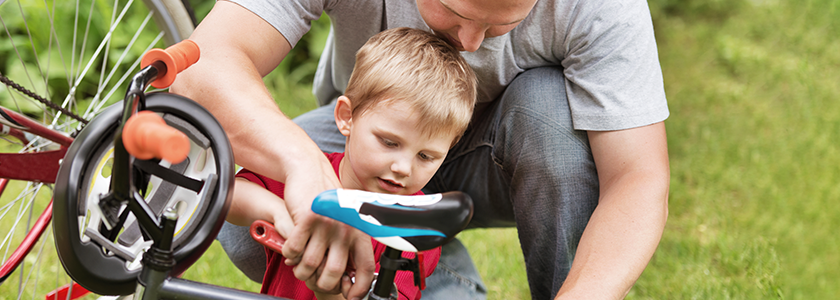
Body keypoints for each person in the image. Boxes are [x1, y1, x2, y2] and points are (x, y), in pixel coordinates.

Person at [171, 0, 671, 299]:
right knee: (253, 223)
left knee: (548, 110)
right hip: (372, 133)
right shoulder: (358, 123)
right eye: (455, 11)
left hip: (516, 144)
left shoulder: (603, 9)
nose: (472, 43)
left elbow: (638, 179)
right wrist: (305, 171)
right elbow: (204, 64)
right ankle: (421, 272)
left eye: (503, 22)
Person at [223, 27, 477, 300]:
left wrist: (327, 291)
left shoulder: (415, 230)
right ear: (347, 117)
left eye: (426, 156)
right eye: (389, 142)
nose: (403, 167)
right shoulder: (310, 177)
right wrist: (280, 214)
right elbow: (228, 195)